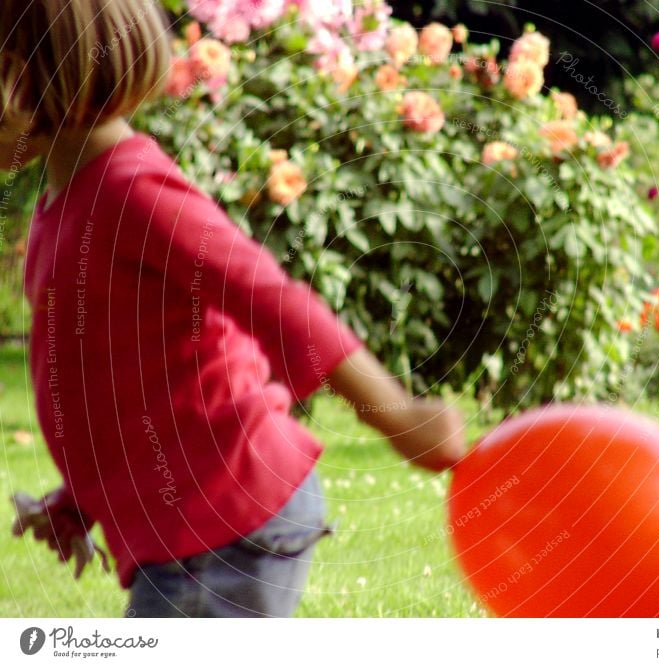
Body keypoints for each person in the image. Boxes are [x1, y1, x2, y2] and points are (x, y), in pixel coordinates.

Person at [2, 0, 465, 618]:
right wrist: (83, 498)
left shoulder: (131, 190)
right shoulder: (63, 203)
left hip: (222, 522)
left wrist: (398, 414)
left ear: (15, 77)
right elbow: (117, 381)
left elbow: (269, 298)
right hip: (195, 525)